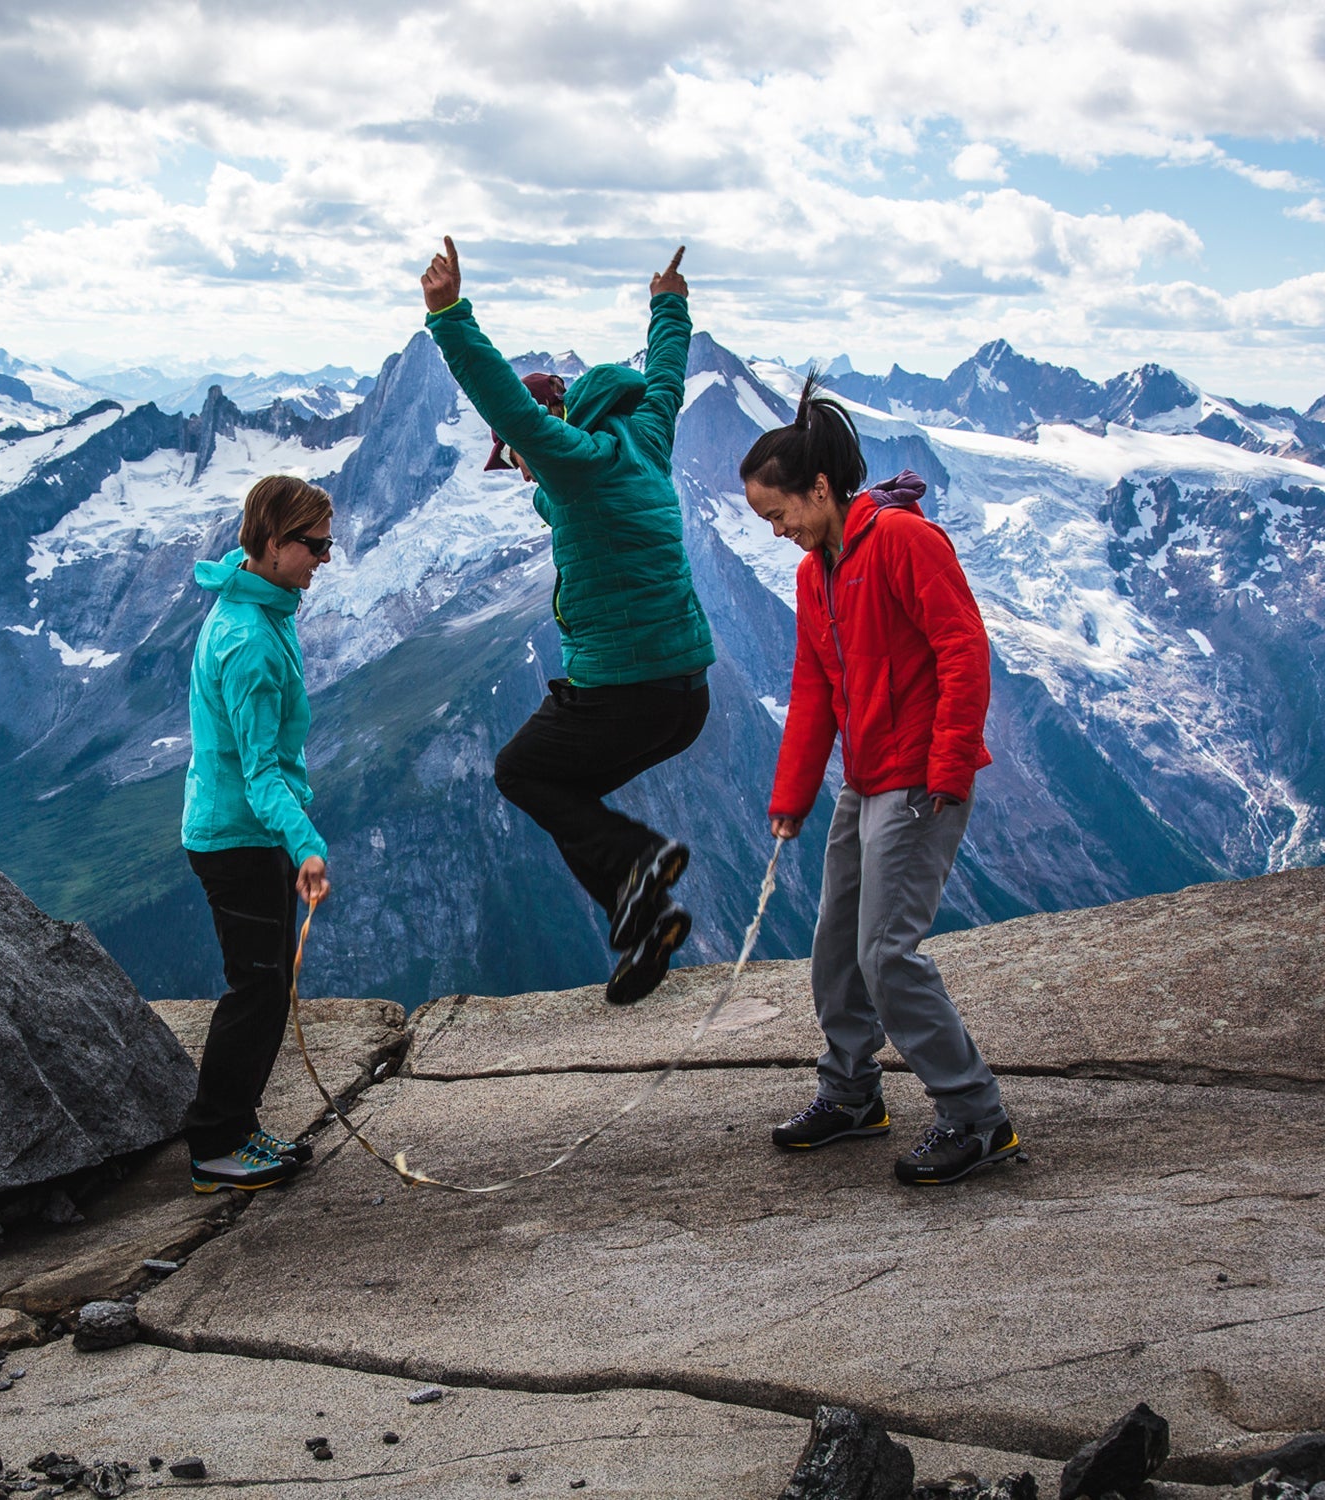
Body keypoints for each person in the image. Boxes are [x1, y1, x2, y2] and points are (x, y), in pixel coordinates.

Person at [419, 236, 714, 1005]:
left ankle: (639, 862)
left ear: (551, 423)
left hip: (626, 687)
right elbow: (666, 379)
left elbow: (507, 405)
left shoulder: (573, 459)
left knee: (522, 772)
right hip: (685, 695)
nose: (519, 467)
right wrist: (669, 305)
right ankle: (644, 920)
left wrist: (449, 316)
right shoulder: (645, 436)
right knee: (567, 801)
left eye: (515, 456)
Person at [743, 380, 1021, 1186]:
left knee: (885, 954)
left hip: (919, 781)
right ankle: (852, 1095)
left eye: (779, 514)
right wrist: (792, 799)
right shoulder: (817, 573)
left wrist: (948, 768)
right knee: (837, 946)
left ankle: (977, 1117)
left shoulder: (902, 540)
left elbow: (963, 649)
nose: (778, 531)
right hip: (866, 782)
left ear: (819, 488)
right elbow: (814, 689)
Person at [179, 474, 336, 1193]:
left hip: (246, 833)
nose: (324, 559)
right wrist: (307, 847)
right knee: (257, 988)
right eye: (314, 545)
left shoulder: (259, 600)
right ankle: (214, 1145)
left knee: (268, 985)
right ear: (272, 544)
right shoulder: (248, 640)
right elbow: (260, 772)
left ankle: (237, 1129)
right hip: (235, 839)